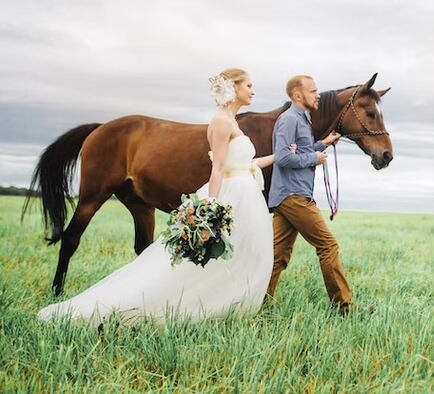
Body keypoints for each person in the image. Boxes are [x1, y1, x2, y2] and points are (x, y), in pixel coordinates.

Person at [38, 68, 288, 326]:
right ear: (234, 88)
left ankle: (228, 303)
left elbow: (245, 163)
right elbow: (218, 168)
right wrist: (212, 204)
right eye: (248, 85)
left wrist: (284, 156)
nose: (253, 90)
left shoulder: (232, 121)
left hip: (244, 190)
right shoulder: (222, 122)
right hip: (231, 191)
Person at [267, 75, 355, 313]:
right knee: (328, 245)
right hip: (293, 195)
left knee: (277, 257)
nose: (318, 95)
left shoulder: (301, 120)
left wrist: (323, 143)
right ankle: (344, 306)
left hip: (289, 195)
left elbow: (303, 151)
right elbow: (283, 157)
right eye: (313, 91)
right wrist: (313, 158)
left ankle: (259, 304)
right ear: (298, 96)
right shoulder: (288, 120)